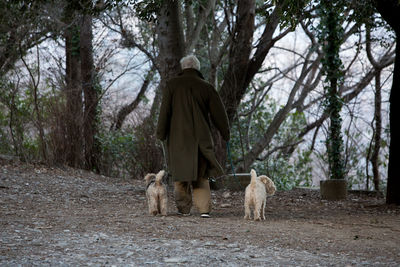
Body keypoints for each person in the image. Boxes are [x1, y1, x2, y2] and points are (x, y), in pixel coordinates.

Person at [156, 55, 230, 218]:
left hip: (178, 138)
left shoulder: (172, 86)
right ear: (197, 68)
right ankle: (204, 210)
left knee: (180, 175)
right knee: (201, 175)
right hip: (201, 138)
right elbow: (219, 114)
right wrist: (226, 133)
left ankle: (184, 209)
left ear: (183, 68)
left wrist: (160, 133)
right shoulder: (206, 87)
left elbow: (165, 112)